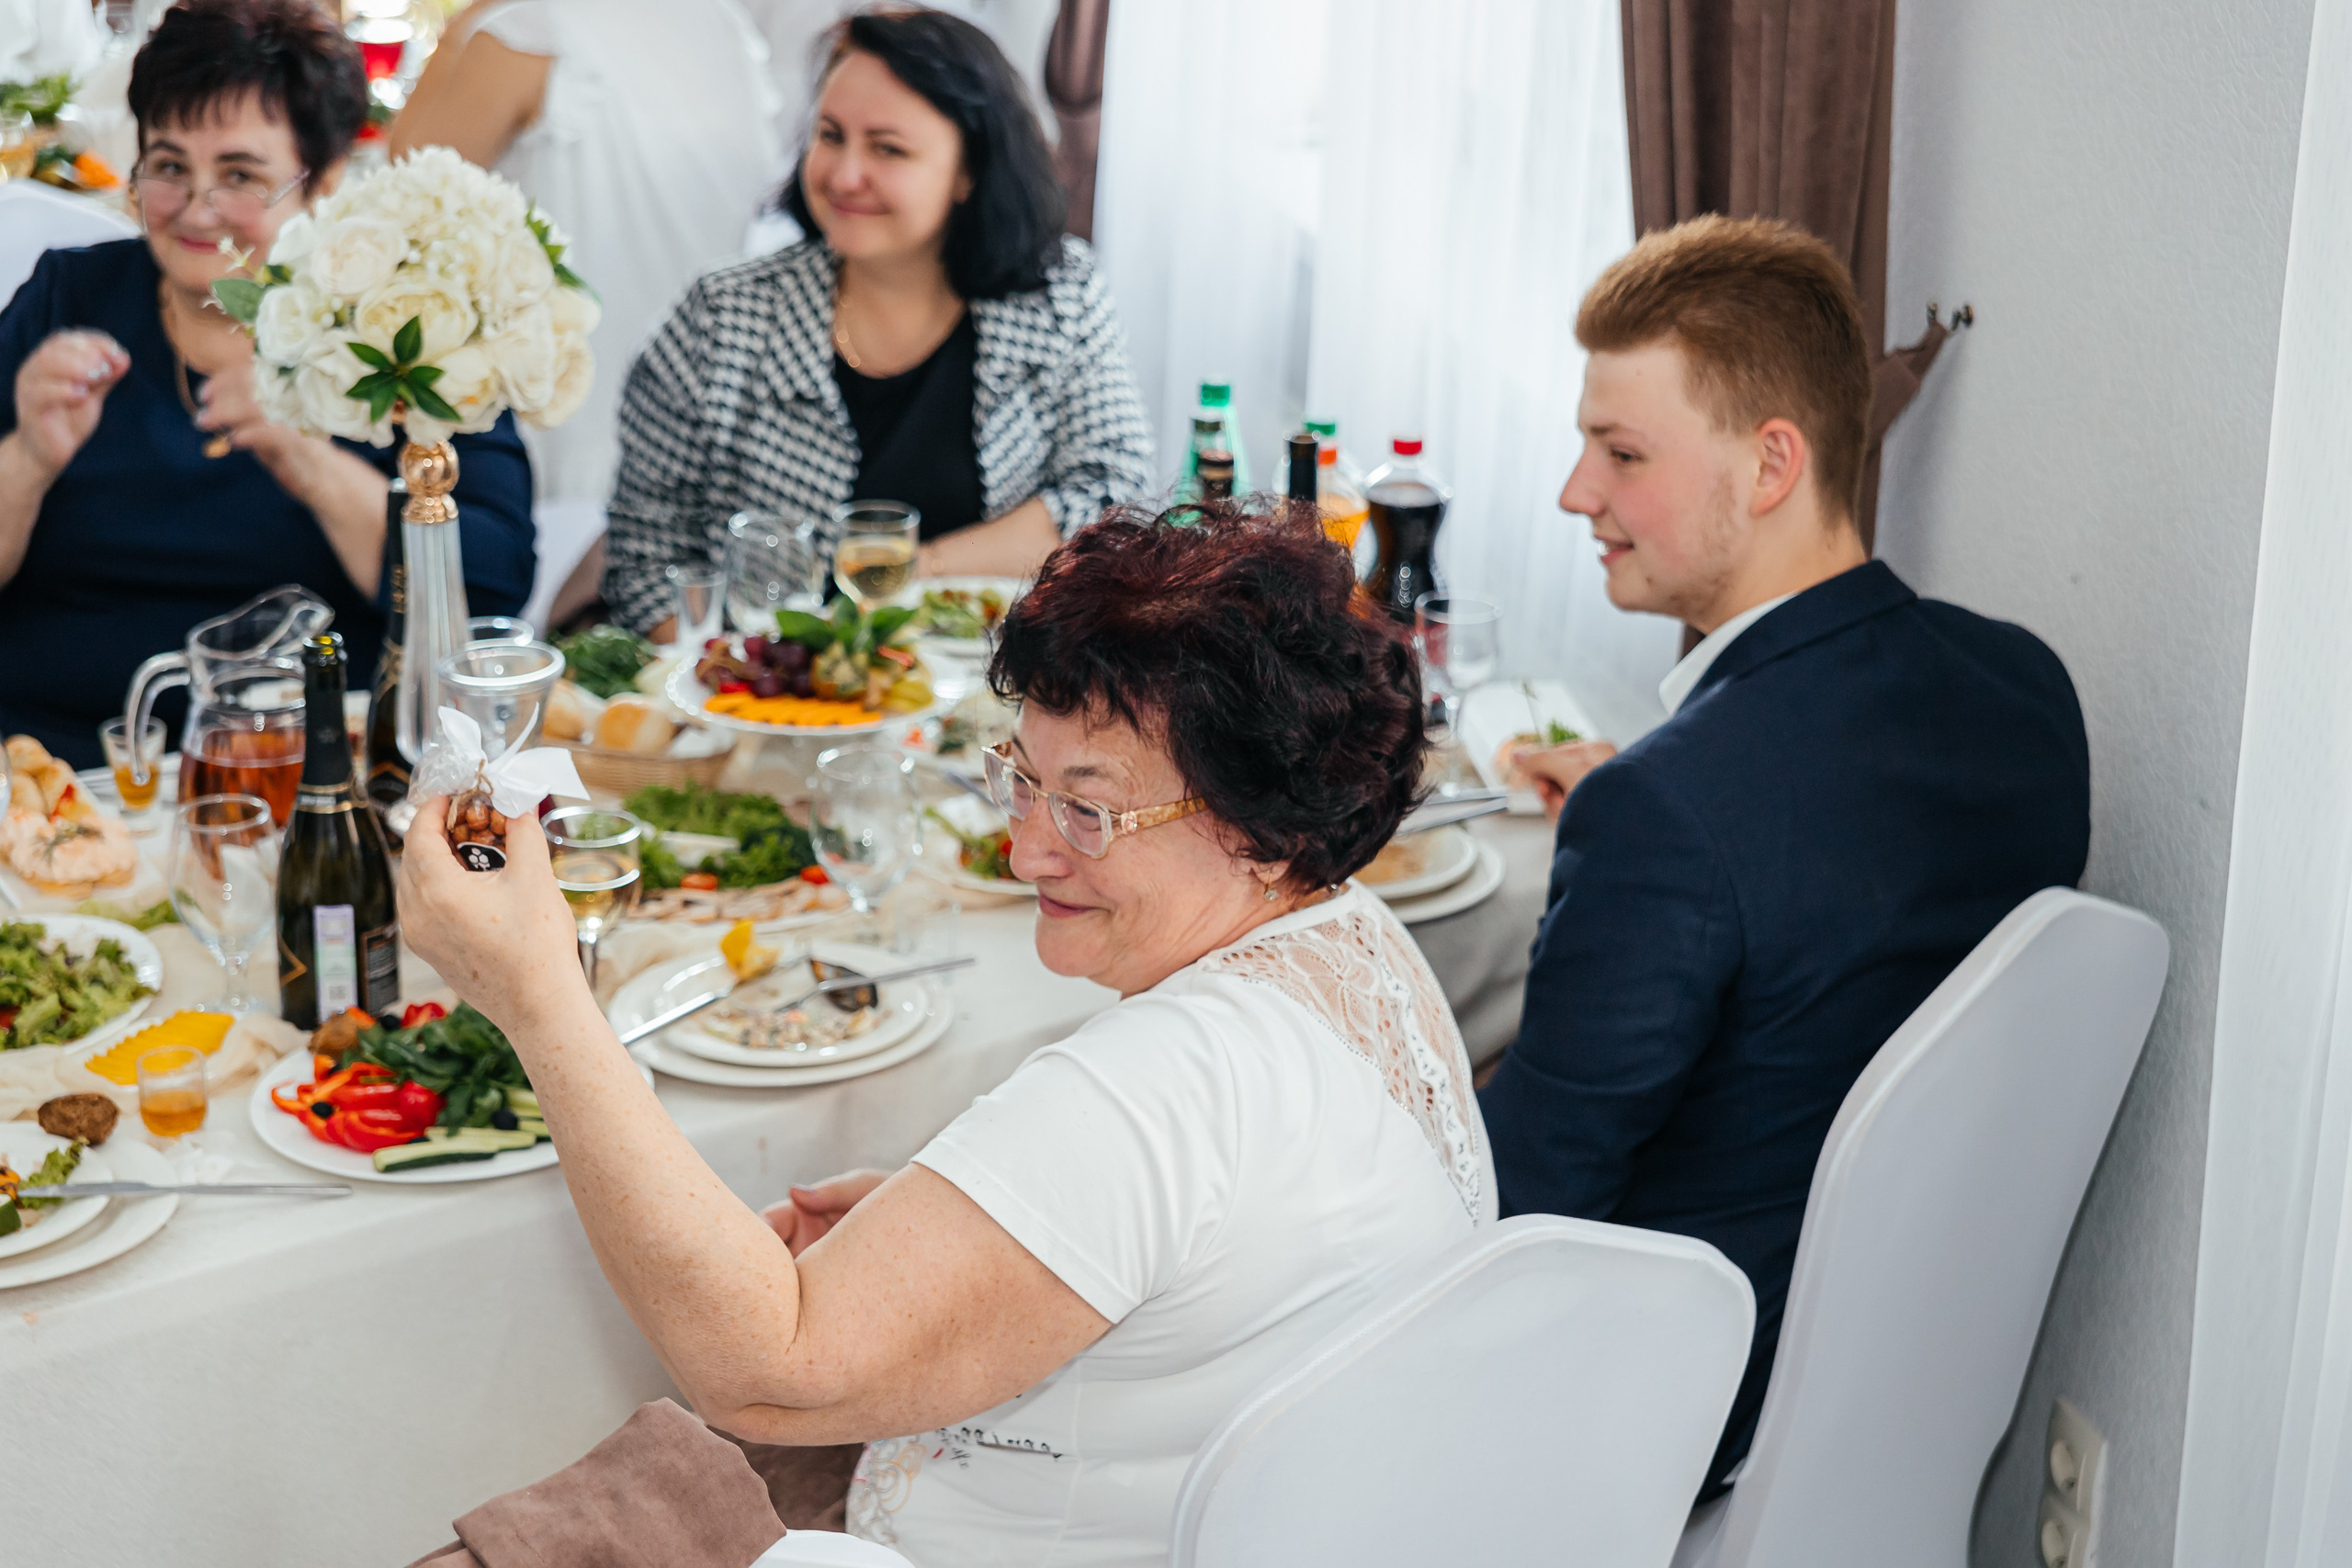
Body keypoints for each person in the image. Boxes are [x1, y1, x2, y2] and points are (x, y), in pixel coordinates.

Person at [398, 502, 1487, 1565]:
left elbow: (763, 1370)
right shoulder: (1355, 938)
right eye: (1021, 778)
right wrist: (988, 1243)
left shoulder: (1157, 1089)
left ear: (1262, 829)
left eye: (1088, 811)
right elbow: (1223, 1245)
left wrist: (540, 997)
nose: (1026, 853)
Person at [1476, 216, 2092, 1497]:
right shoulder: (2024, 692)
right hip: (1899, 1372)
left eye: (1622, 451)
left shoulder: (1671, 815)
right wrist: (1663, 800)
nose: (1574, 492)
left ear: (1771, 465)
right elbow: (1827, 862)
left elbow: (1518, 1201)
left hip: (1666, 1404)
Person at [0, 0, 534, 771]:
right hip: (47, 764)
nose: (197, 207)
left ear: (325, 182)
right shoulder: (68, 300)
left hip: (304, 778)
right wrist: (26, 461)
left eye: (241, 175)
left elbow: (489, 591)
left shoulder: (405, 327)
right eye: (169, 166)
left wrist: (311, 458)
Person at [600, 6, 1152, 639]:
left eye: (887, 148)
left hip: (1000, 694)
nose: (844, 174)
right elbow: (645, 564)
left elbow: (1115, 496)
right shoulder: (719, 318)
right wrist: (758, 693)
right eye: (831, 135)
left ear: (969, 171)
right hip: (771, 707)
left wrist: (908, 577)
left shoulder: (1062, 295)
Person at [390, 0, 786, 623]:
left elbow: (399, 199)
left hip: (562, 440)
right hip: (699, 444)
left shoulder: (523, 34)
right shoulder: (722, 27)